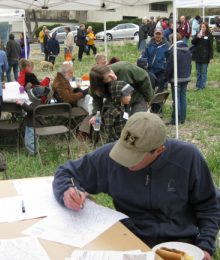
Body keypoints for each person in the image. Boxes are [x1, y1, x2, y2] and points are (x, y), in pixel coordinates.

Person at [53, 112, 220, 260]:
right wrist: (67, 190)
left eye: (135, 156)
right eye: (124, 150)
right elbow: (66, 173)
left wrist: (205, 245)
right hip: (131, 239)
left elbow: (210, 205)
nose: (124, 161)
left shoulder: (188, 158)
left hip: (180, 244)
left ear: (159, 151)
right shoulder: (110, 156)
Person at [89, 61, 153, 126]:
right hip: (117, 104)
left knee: (137, 122)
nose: (113, 76)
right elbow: (97, 99)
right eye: (109, 77)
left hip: (136, 98)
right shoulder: (97, 86)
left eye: (111, 72)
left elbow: (144, 77)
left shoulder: (125, 68)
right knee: (119, 124)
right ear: (101, 83)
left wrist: (148, 99)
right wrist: (96, 115)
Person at [16, 85, 53, 155]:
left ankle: (33, 154)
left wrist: (22, 104)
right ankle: (35, 150)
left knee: (29, 141)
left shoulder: (34, 105)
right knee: (34, 139)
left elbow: (30, 110)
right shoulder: (39, 103)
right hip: (38, 123)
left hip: (32, 125)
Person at [166, 33, 192, 125]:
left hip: (176, 78)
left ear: (173, 40)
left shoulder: (174, 50)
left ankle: (176, 119)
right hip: (186, 77)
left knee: (176, 99)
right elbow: (190, 64)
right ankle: (182, 118)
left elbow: (169, 66)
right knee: (183, 98)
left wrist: (167, 77)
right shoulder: (187, 49)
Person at [142, 27, 169, 93]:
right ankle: (151, 101)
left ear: (162, 35)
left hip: (161, 71)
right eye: (156, 34)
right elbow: (144, 55)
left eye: (159, 34)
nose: (158, 36)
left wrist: (165, 67)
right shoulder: (149, 44)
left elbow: (169, 58)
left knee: (160, 90)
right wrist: (144, 63)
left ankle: (158, 103)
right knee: (150, 88)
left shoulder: (167, 45)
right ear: (154, 34)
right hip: (151, 70)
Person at [191, 22, 213, 90]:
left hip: (205, 56)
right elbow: (193, 42)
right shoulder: (198, 34)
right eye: (201, 27)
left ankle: (202, 86)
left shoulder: (209, 35)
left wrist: (211, 57)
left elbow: (211, 47)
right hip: (197, 56)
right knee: (198, 72)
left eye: (204, 27)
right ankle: (198, 86)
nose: (203, 28)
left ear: (206, 28)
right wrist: (198, 36)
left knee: (203, 72)